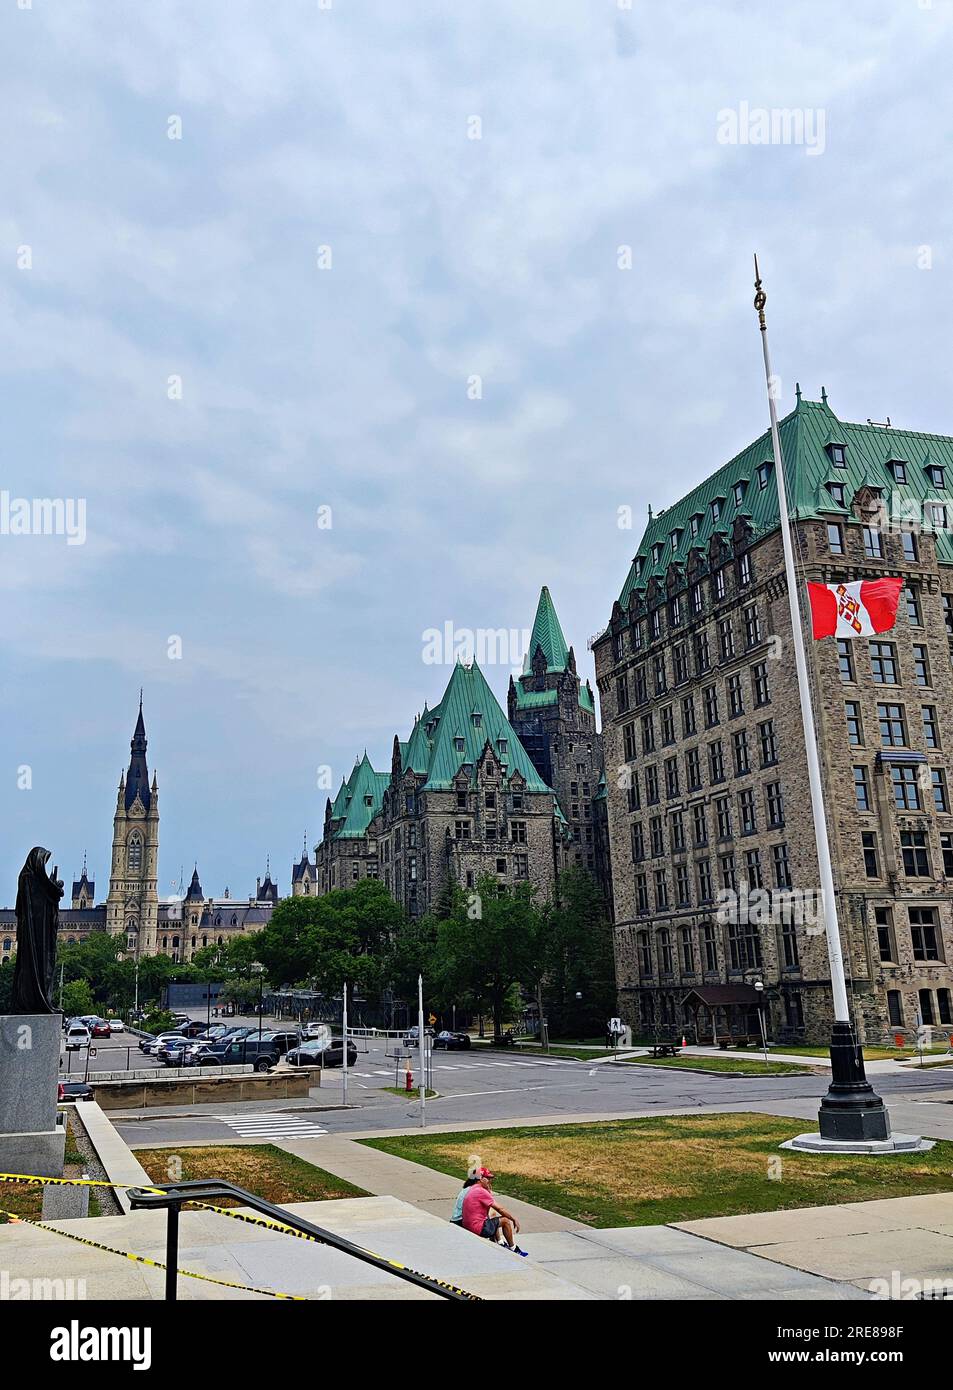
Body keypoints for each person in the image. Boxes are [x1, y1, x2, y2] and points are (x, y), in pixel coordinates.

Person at [461, 1168, 527, 1255]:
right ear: (480, 1178)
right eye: (488, 1178)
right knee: (505, 1221)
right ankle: (514, 1249)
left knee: (492, 1216)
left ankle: (497, 1242)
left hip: (468, 1226)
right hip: (478, 1229)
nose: (490, 1180)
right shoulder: (481, 1191)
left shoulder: (473, 1189)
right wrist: (513, 1219)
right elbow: (500, 1209)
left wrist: (488, 1190)